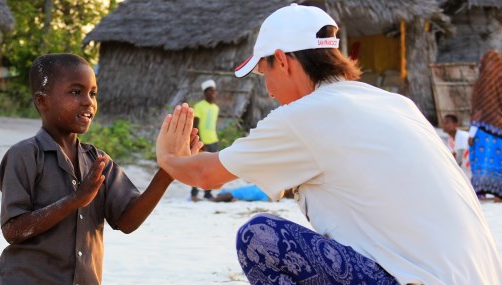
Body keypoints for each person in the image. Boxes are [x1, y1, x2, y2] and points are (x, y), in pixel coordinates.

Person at [155, 4, 502, 284]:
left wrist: (168, 157)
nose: (269, 90)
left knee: (259, 237)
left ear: (283, 60)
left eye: (264, 73)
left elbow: (206, 175)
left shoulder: (305, 116)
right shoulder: (395, 104)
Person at [0, 53, 197, 285]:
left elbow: (127, 222)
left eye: (93, 93)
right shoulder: (24, 156)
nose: (88, 102)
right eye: (75, 92)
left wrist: (167, 173)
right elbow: (13, 230)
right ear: (43, 101)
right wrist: (73, 201)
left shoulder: (98, 161)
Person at [469, 49, 502, 200]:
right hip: (499, 127)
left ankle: (480, 191)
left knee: (481, 159)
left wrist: (472, 131)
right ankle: (499, 192)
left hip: (481, 128)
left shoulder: (481, 83)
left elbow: (477, 108)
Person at [190, 79, 220, 201]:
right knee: (198, 168)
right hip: (202, 142)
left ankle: (208, 193)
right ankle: (194, 193)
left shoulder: (215, 108)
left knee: (212, 169)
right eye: (210, 91)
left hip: (214, 141)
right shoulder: (199, 106)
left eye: (214, 91)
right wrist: (199, 142)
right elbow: (195, 125)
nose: (213, 93)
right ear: (205, 92)